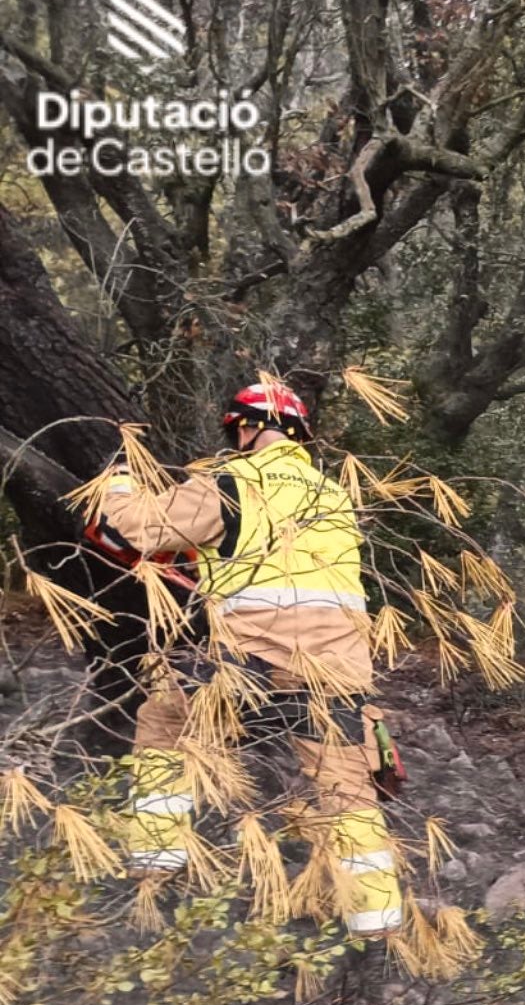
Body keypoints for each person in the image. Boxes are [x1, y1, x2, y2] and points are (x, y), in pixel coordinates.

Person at [92, 382, 403, 936]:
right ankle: (377, 922)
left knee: (165, 719)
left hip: (251, 656)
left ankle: (156, 859)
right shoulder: (333, 493)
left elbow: (131, 532)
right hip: (338, 668)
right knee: (348, 789)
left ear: (246, 428)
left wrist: (117, 482)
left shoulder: (231, 481)